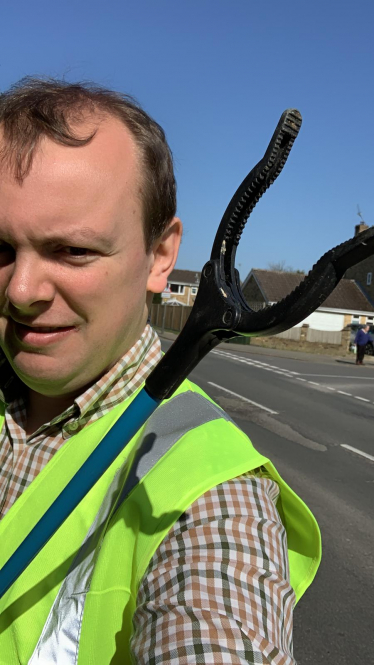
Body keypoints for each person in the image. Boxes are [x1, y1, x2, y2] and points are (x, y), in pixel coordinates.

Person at [0, 78, 320, 664]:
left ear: (160, 255)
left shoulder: (215, 498)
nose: (21, 291)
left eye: (73, 251)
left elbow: (214, 630)